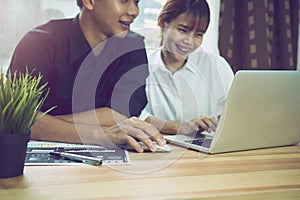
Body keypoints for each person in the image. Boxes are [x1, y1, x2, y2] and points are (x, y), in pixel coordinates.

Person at [8, 0, 166, 153]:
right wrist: (100, 134)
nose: (134, 11)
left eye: (137, 2)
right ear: (89, 1)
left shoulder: (133, 46)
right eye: (124, 0)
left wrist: (45, 123)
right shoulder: (39, 42)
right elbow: (16, 119)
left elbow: (118, 116)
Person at [139, 0, 234, 135]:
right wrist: (179, 127)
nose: (189, 41)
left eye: (198, 34)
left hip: (206, 153)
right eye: (182, 30)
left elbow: (236, 115)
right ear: (162, 22)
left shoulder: (217, 67)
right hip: (155, 151)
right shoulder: (142, 66)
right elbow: (133, 117)